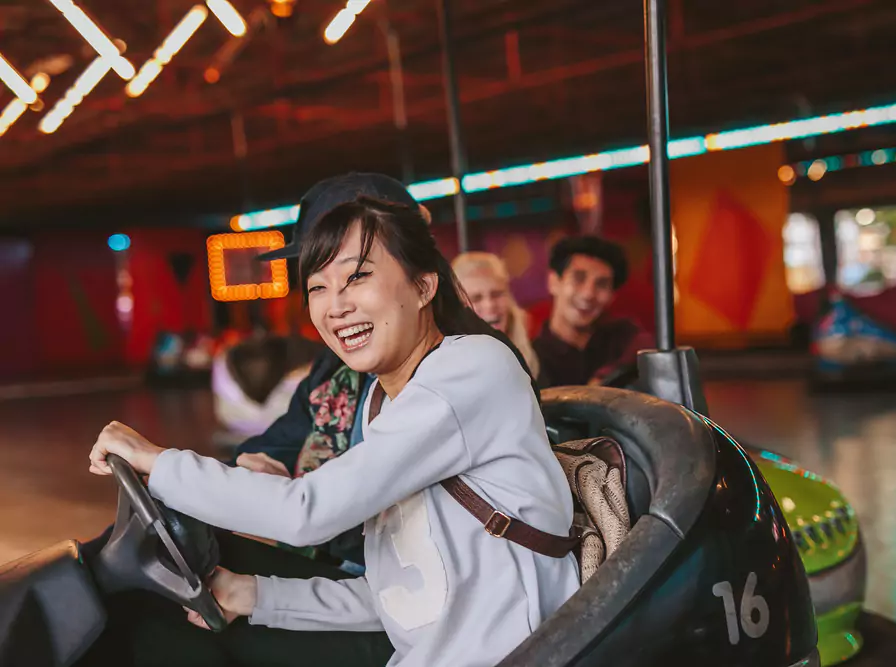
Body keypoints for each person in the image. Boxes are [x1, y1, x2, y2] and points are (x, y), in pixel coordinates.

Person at [85, 197, 580, 667]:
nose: (334, 305)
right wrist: (255, 595)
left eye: (358, 276)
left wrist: (158, 460)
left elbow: (307, 512)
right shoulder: (383, 402)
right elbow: (399, 595)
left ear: (425, 286)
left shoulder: (472, 367)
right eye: (318, 287)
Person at [533, 235, 654, 387]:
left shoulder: (623, 337)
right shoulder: (533, 357)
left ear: (612, 296)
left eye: (601, 284)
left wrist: (603, 378)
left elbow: (649, 351)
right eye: (579, 278)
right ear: (553, 282)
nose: (588, 294)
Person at [452, 251, 541, 378]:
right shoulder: (450, 367)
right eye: (476, 298)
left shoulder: (535, 348)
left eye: (497, 294)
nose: (490, 305)